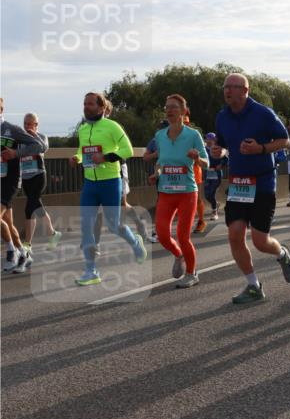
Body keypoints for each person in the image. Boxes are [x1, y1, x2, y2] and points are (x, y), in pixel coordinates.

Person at [211, 73, 290, 304]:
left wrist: (260, 148)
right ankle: (253, 285)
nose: (227, 91)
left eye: (232, 87)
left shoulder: (263, 113)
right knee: (235, 235)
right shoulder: (222, 116)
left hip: (262, 181)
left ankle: (281, 254)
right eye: (225, 86)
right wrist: (219, 152)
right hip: (239, 183)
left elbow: (285, 141)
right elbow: (223, 145)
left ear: (245, 90)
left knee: (260, 241)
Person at [69, 92, 147, 285]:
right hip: (89, 184)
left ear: (101, 107)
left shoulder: (112, 126)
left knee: (114, 226)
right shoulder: (84, 128)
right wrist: (76, 158)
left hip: (110, 182)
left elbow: (127, 150)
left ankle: (136, 242)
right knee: (86, 226)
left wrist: (105, 157)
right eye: (84, 103)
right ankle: (91, 271)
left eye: (90, 104)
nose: (86, 107)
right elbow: (82, 151)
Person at [149, 94, 208, 287]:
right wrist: (156, 173)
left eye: (173, 107)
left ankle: (191, 274)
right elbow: (160, 161)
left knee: (183, 236)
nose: (169, 110)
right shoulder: (159, 135)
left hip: (187, 193)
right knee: (162, 234)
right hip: (166, 191)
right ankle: (178, 254)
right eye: (167, 107)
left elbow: (207, 163)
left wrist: (197, 158)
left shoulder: (193, 135)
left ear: (183, 111)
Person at [1, 98, 47, 272]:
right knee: (7, 223)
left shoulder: (12, 129)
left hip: (9, 180)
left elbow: (38, 146)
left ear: (1, 108)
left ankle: (12, 252)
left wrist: (15, 153)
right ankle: (23, 254)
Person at [17, 112, 62, 268]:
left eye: (31, 124)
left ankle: (27, 245)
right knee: (36, 206)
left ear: (37, 125)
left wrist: (32, 135)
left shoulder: (41, 136)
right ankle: (53, 233)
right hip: (26, 178)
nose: (28, 127)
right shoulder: (20, 140)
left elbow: (43, 148)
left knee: (30, 207)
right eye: (26, 124)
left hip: (38, 176)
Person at [204, 132, 226, 220]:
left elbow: (226, 159)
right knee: (207, 195)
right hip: (207, 174)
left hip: (216, 174)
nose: (208, 141)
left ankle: (214, 212)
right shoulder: (204, 149)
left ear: (214, 140)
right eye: (207, 139)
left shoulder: (218, 148)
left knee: (212, 193)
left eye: (211, 139)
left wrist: (221, 165)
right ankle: (215, 204)